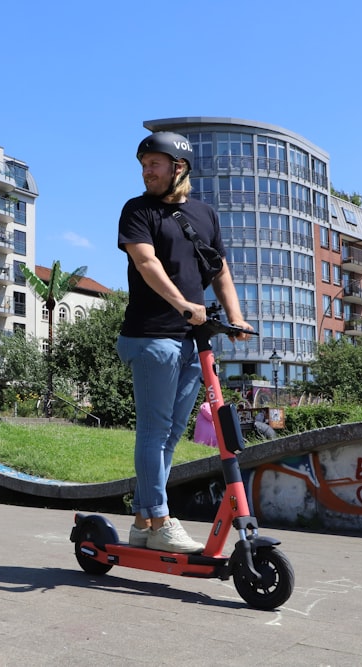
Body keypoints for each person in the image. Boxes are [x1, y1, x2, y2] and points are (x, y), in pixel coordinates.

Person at [117, 131, 253, 553]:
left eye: (154, 163)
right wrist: (183, 305)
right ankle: (159, 518)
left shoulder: (204, 213)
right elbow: (145, 262)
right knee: (154, 432)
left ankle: (143, 520)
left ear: (179, 167)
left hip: (193, 340)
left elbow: (220, 270)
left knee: (173, 433)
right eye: (143, 165)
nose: (146, 171)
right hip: (151, 336)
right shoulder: (137, 210)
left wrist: (235, 316)